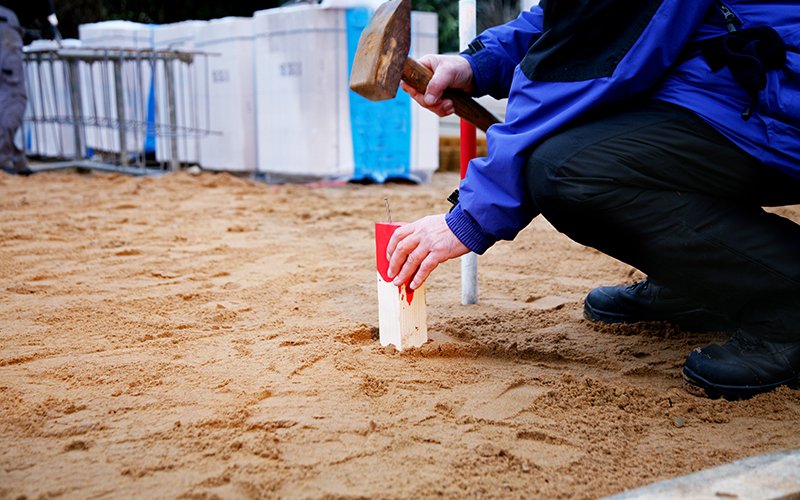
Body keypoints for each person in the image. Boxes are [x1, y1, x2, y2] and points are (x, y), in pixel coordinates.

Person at [388, 0, 800, 400]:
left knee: (566, 171)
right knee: (574, 158)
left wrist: (472, 217)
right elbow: (569, 19)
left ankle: (788, 298)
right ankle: (706, 283)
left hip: (775, 95)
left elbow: (587, 56)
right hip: (726, 87)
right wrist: (477, 64)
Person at [0, 0, 59, 175]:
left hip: (7, 24)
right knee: (14, 98)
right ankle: (3, 159)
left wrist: (23, 34)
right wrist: (49, 22)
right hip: (5, 23)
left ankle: (16, 161)